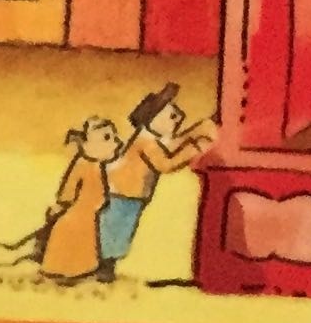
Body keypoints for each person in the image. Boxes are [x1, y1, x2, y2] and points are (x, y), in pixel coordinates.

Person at [95, 84, 217, 280]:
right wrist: (195, 148)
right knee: (114, 231)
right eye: (172, 116)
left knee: (119, 230)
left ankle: (104, 264)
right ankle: (103, 266)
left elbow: (173, 144)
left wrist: (195, 132)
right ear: (153, 119)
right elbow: (165, 164)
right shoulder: (146, 143)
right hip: (124, 194)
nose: (178, 119)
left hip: (130, 195)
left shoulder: (152, 139)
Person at [38, 118, 122, 282]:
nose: (116, 143)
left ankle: (82, 269)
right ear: (87, 144)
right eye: (107, 138)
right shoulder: (82, 165)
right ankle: (64, 270)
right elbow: (68, 190)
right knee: (73, 240)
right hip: (77, 216)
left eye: (114, 137)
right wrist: (60, 206)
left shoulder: (97, 166)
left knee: (86, 243)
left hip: (89, 216)